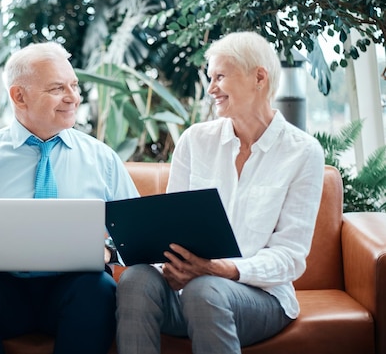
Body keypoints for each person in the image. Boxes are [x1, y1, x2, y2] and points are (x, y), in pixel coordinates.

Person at [0, 41, 139, 354]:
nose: (73, 97)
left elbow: (139, 236)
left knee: (99, 290)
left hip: (76, 290)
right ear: (19, 96)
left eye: (74, 85)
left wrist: (107, 251)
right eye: (57, 88)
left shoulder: (103, 159)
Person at [115, 31, 325, 354]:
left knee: (205, 290)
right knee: (136, 281)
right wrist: (169, 265)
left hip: (259, 298)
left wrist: (222, 270)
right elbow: (171, 230)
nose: (211, 88)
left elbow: (290, 257)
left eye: (220, 77)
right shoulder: (194, 141)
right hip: (188, 291)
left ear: (259, 77)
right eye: (209, 77)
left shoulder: (303, 153)